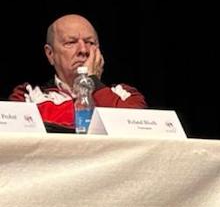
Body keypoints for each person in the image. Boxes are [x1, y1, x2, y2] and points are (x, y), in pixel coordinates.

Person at [10, 13, 146, 129]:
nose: (83, 50)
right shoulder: (29, 97)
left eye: (90, 43)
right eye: (71, 42)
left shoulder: (124, 94)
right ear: (50, 54)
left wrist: (93, 82)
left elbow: (129, 129)